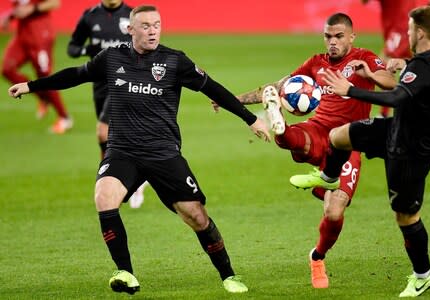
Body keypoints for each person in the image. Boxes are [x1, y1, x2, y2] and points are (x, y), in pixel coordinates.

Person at [8, 5, 271, 295]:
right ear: (130, 30)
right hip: (123, 151)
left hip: (163, 153)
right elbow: (75, 74)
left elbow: (213, 88)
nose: (153, 30)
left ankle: (228, 275)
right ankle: (125, 272)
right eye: (145, 25)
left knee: (196, 216)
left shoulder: (175, 61)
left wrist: (251, 119)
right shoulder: (111, 58)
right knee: (104, 196)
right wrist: (31, 86)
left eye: (157, 24)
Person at [234, 13, 396, 288]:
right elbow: (280, 86)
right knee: (290, 137)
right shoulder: (316, 63)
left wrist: (368, 74)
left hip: (349, 141)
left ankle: (317, 256)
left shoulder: (364, 58)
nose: (332, 42)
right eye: (327, 36)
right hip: (319, 129)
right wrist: (235, 100)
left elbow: (391, 84)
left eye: (338, 36)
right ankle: (280, 125)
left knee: (333, 213)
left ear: (351, 37)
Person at [312, 6, 430, 297]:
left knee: (406, 216)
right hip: (396, 129)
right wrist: (402, 63)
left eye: (411, 29)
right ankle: (328, 177)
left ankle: (423, 274)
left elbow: (396, 96)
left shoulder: (423, 68)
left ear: (422, 32)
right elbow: (420, 75)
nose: (407, 33)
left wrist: (349, 89)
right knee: (339, 136)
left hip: (409, 148)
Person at [66, 0, 147, 208]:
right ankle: (132, 177)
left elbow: (147, 44)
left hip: (124, 81)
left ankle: (110, 178)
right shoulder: (90, 16)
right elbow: (72, 48)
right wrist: (88, 50)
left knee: (103, 132)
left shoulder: (132, 15)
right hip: (99, 83)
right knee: (115, 136)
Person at [0, 0, 73, 134]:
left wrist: (33, 9)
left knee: (45, 77)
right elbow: (21, 6)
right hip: (22, 35)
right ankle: (43, 97)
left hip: (40, 34)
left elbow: (55, 3)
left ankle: (65, 118)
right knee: (6, 69)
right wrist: (10, 16)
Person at [360, 0, 430, 118]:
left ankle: (383, 114)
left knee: (382, 65)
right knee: (415, 65)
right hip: (394, 27)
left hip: (402, 27)